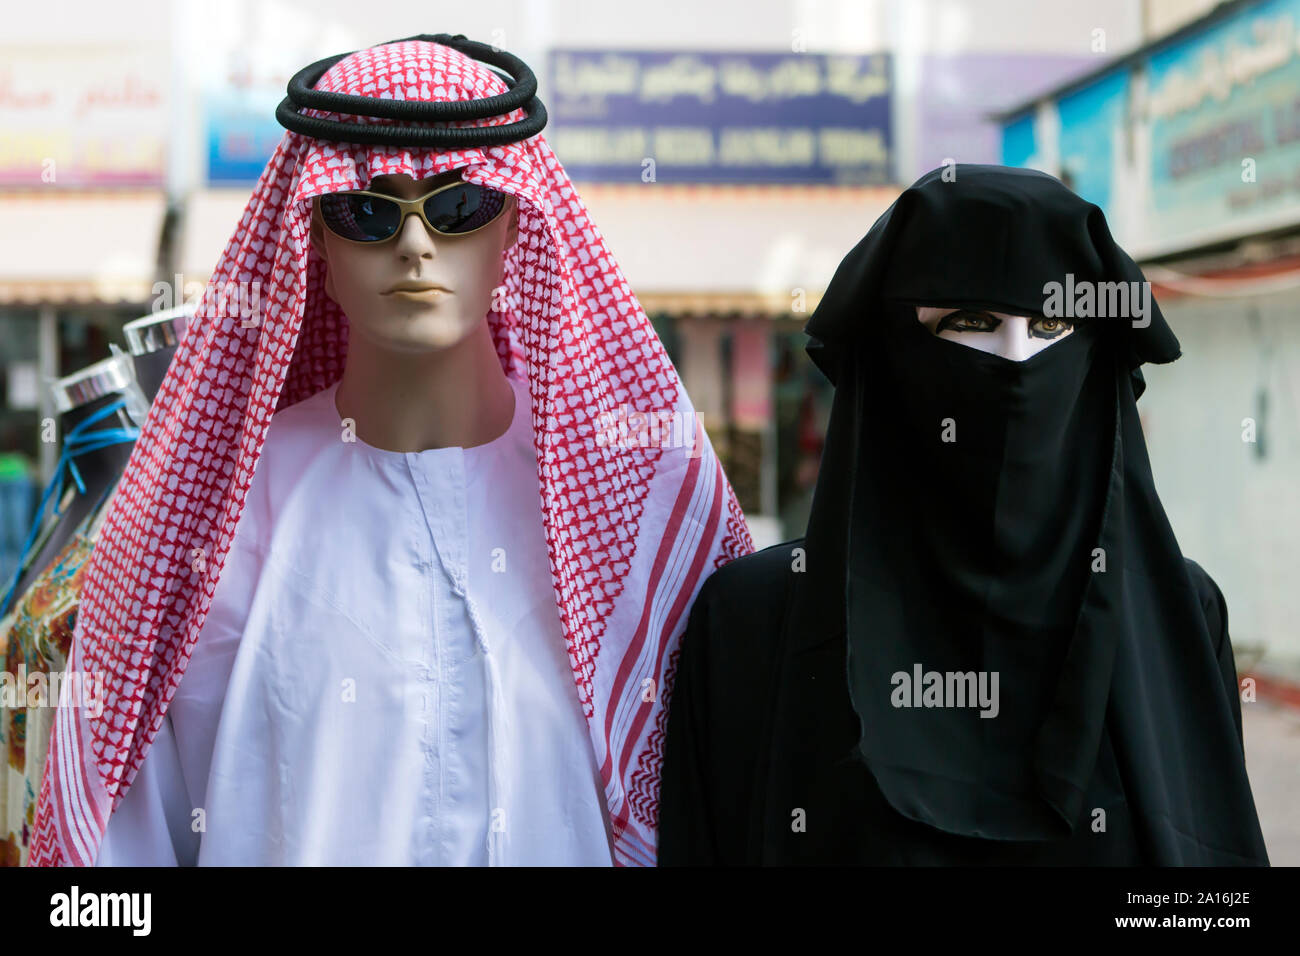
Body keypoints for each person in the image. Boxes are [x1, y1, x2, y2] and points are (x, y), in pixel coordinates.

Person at [29, 34, 752, 867]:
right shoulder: (197, 533)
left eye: (457, 208)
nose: (416, 245)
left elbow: (714, 800)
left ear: (514, 229)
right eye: (367, 211)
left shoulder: (631, 515)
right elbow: (116, 848)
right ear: (317, 250)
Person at [657, 164, 1269, 866]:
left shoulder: (1181, 616)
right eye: (970, 322)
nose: (1015, 362)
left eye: (1052, 323)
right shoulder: (754, 621)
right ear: (889, 354)